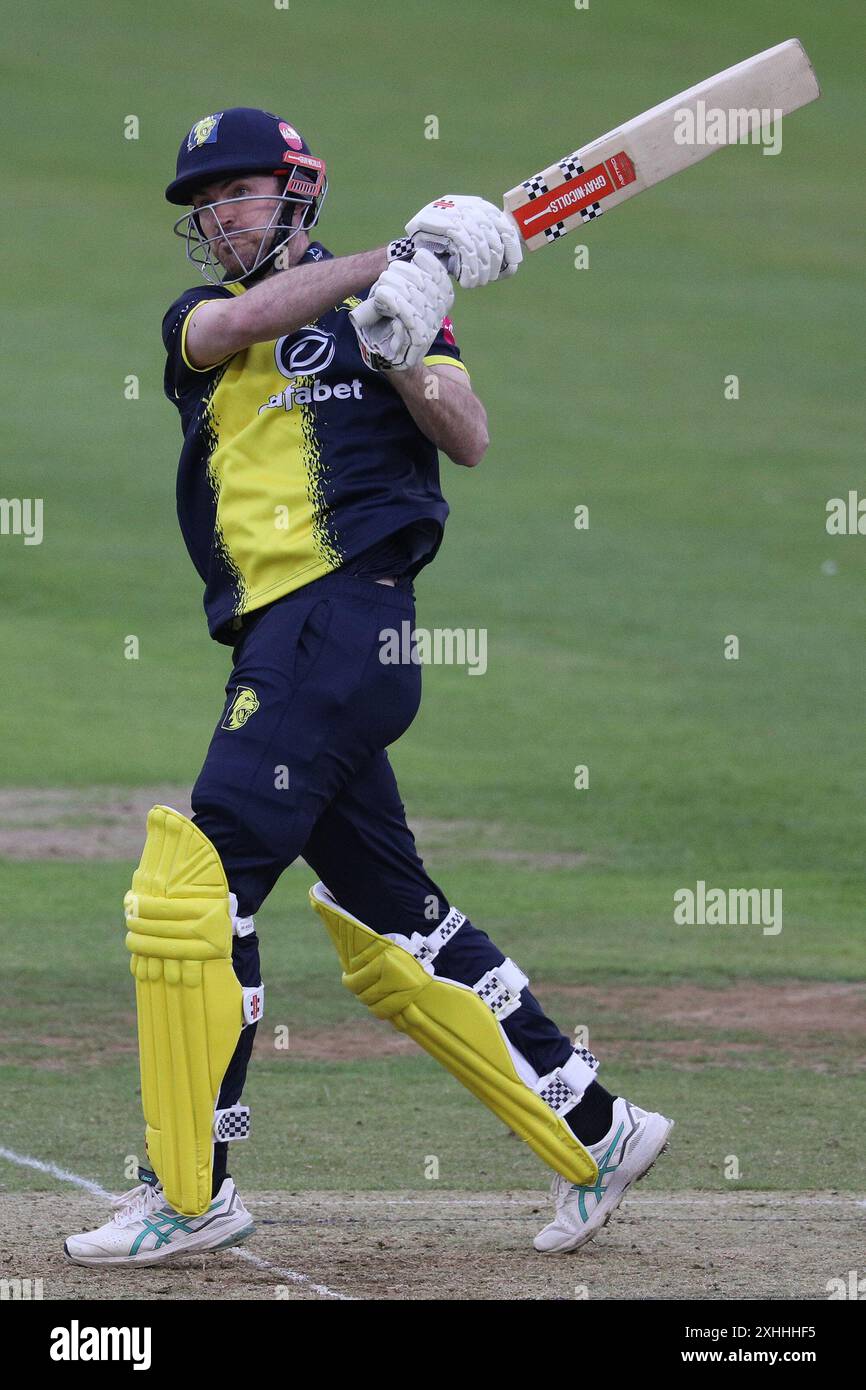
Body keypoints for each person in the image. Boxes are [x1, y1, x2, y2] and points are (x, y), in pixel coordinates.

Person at [64, 108, 672, 1268]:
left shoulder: (397, 310)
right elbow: (236, 324)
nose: (216, 219)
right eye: (203, 207)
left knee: (193, 886)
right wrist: (395, 261)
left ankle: (188, 1194)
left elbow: (469, 434)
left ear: (294, 193)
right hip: (291, 649)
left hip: (339, 625)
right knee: (389, 915)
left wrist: (402, 347)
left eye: (234, 195)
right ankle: (596, 1126)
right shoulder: (201, 321)